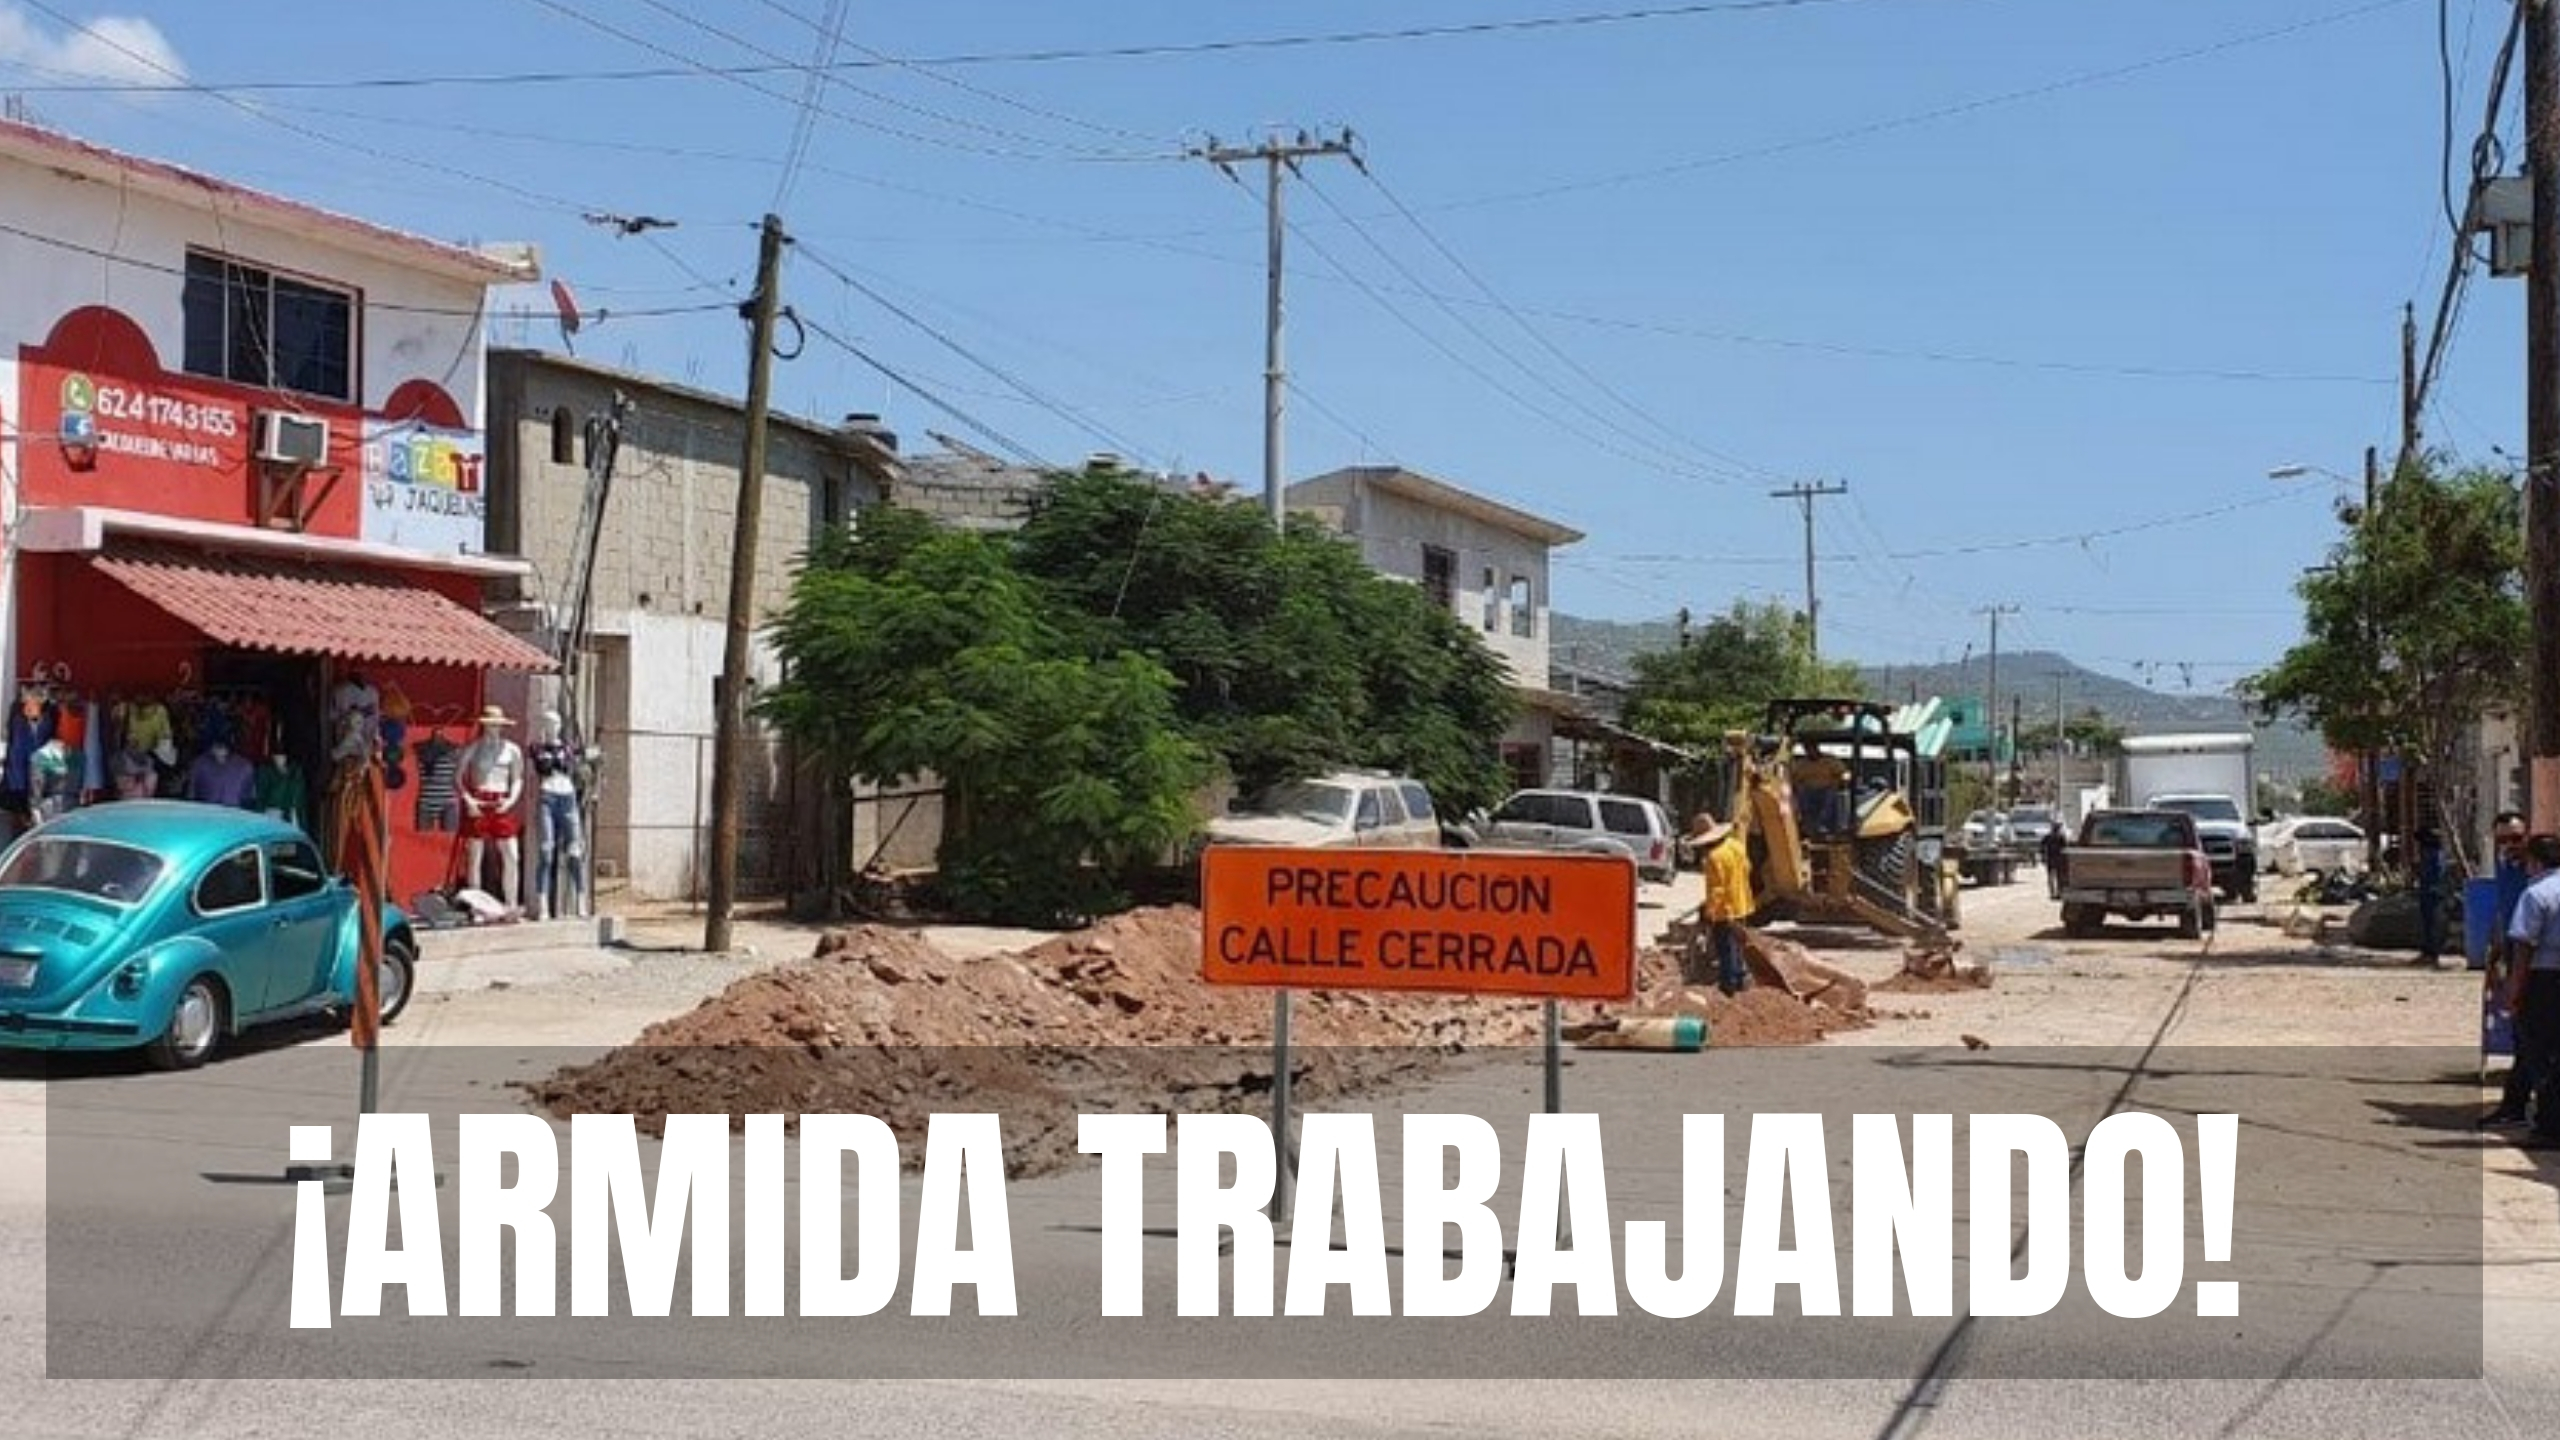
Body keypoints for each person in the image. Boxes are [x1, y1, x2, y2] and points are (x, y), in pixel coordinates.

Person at [2501, 832, 2560, 1148]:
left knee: (2541, 1054)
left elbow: (2524, 946)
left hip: (2545, 981)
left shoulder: (2536, 894)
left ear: (2534, 861)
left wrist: (2514, 989)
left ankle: (2550, 1126)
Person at [2483, 811, 2538, 1128]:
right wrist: (2495, 954)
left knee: (2530, 1036)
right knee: (2523, 1035)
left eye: (2516, 838)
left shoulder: (2536, 873)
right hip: (2511, 952)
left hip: (2534, 960)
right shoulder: (2504, 866)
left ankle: (2517, 1105)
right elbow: (2504, 911)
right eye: (2503, 840)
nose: (2509, 845)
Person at [1689, 810, 1754, 996]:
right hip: (1742, 904)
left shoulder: (1713, 858)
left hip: (1725, 911)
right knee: (1738, 946)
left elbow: (1717, 890)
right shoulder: (1736, 846)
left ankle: (1728, 987)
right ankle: (1741, 981)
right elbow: (1747, 868)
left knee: (1726, 950)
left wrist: (1708, 912)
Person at [2414, 825, 2447, 967]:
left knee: (2432, 924)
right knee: (2428, 923)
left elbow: (2436, 873)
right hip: (2428, 890)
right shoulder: (2432, 853)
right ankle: (2428, 952)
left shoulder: (2433, 853)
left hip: (2432, 892)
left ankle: (2432, 954)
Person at [2042, 820, 2069, 900]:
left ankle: (2053, 893)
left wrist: (2043, 857)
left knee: (2052, 877)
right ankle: (2058, 892)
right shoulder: (2061, 837)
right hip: (2058, 860)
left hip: (2051, 859)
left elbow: (2042, 848)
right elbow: (2065, 848)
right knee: (2058, 877)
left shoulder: (2048, 837)